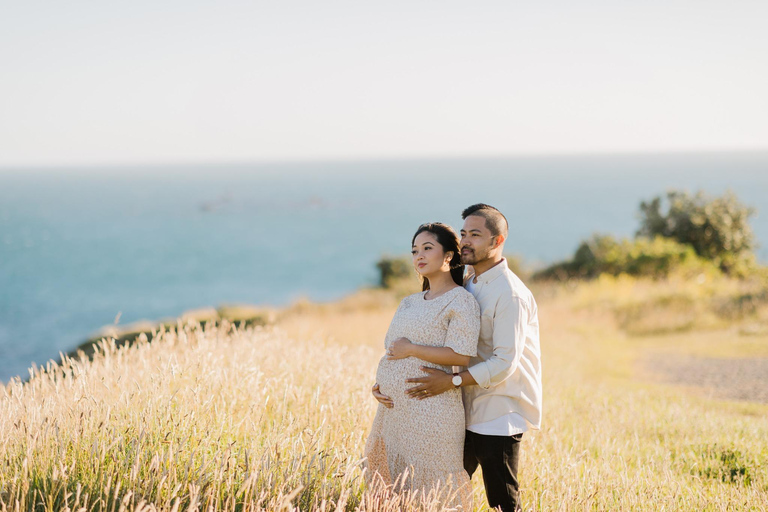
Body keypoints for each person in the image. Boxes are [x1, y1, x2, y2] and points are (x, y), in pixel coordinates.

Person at [374, 204, 543, 512]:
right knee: (443, 494)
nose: (465, 240)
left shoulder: (510, 294)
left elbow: (505, 363)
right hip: (461, 410)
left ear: (497, 241)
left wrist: (450, 380)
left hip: (498, 412)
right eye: (463, 233)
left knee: (502, 501)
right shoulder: (468, 282)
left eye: (475, 235)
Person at [364, 222, 480, 510]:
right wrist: (380, 385)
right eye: (415, 250)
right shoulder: (409, 302)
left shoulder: (461, 301)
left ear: (449, 256)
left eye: (428, 248)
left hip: (432, 411)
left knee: (432, 490)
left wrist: (413, 349)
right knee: (389, 483)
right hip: (392, 411)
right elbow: (392, 351)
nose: (419, 255)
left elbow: (461, 355)